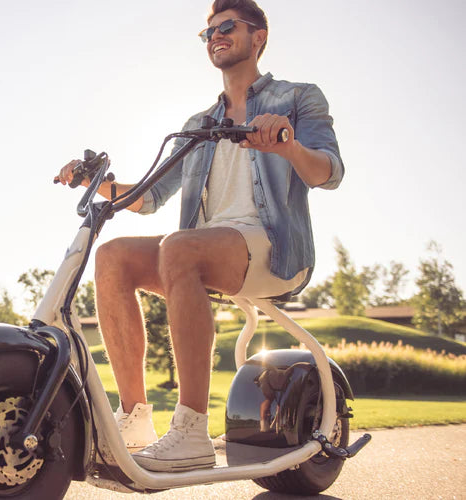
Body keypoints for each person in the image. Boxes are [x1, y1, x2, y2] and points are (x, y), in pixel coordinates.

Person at [55, 0, 343, 472]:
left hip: (274, 249)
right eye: (208, 32)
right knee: (112, 256)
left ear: (259, 37)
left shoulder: (296, 98)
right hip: (203, 250)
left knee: (180, 247)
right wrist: (93, 181)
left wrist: (287, 143)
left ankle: (191, 430)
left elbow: (328, 172)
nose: (215, 36)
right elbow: (148, 198)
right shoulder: (198, 127)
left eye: (227, 27)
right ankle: (136, 418)